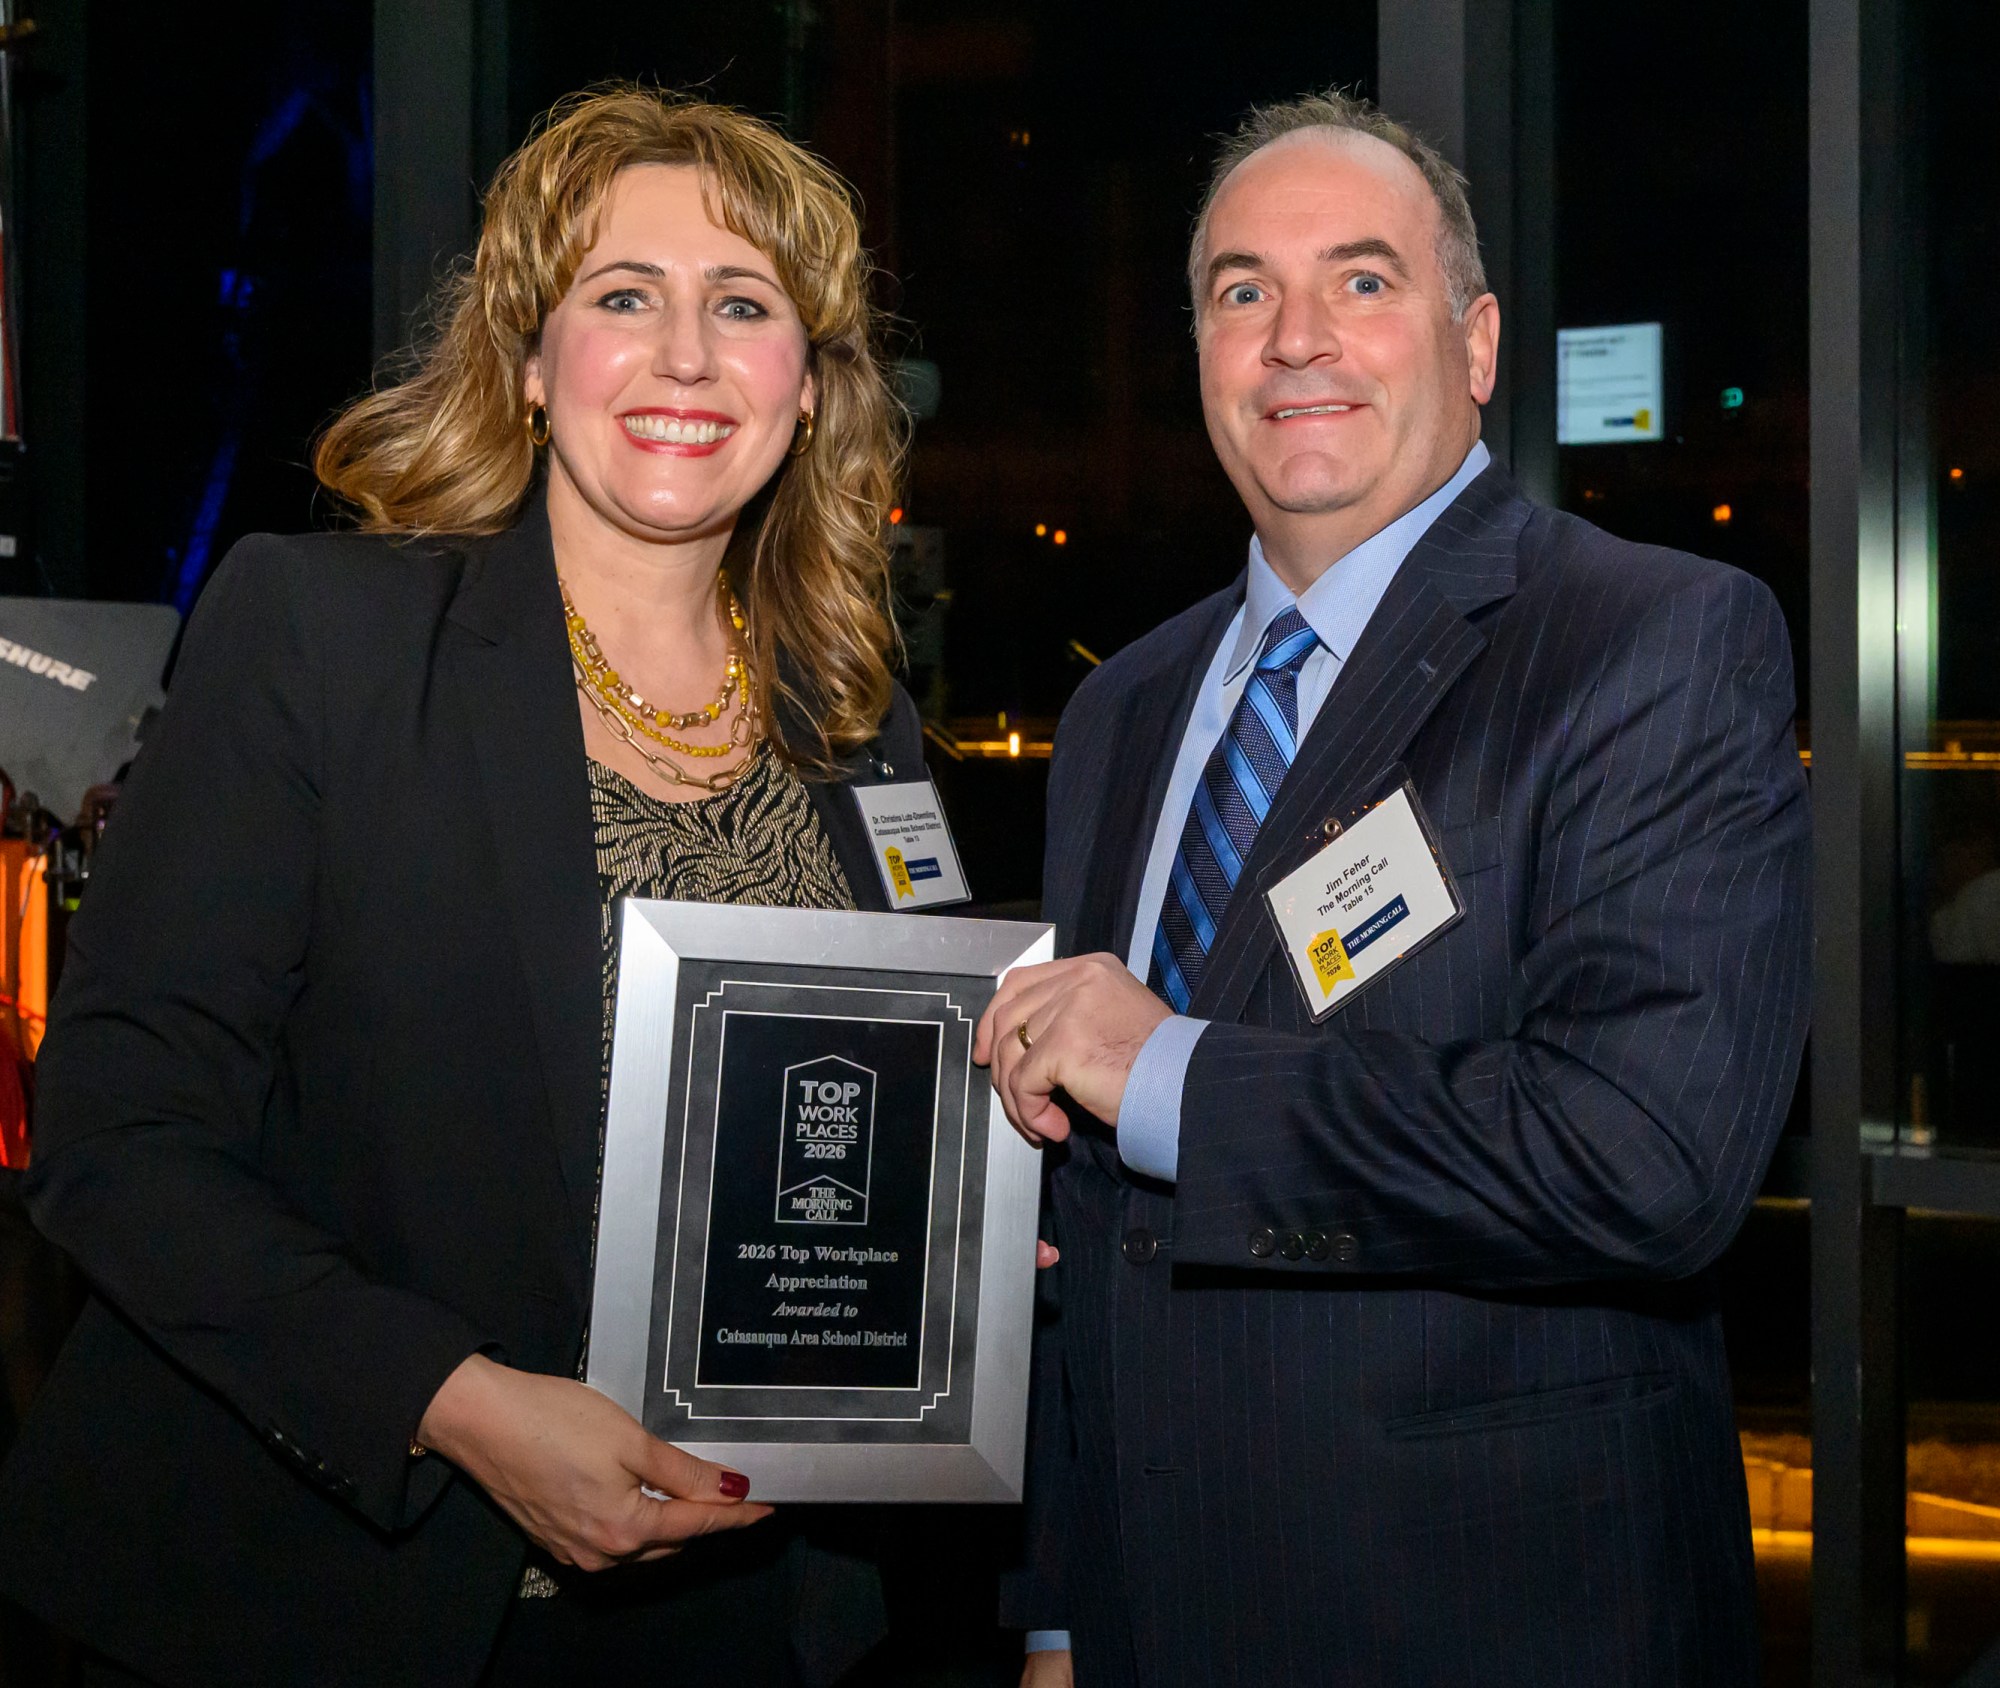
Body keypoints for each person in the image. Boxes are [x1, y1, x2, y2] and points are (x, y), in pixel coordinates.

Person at [0, 87, 921, 1687]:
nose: (687, 355)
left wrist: (955, 1216)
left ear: (811, 382)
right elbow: (119, 1133)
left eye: (743, 306)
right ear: (530, 361)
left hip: (747, 1607)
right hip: (359, 1600)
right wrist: (457, 1403)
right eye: (624, 297)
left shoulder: (857, 724)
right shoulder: (327, 636)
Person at [976, 91, 1810, 1688]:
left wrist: (1169, 1072)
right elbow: (1089, 1226)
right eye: (1243, 292)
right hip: (1148, 1614)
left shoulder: (1654, 641)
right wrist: (1062, 1608)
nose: (1297, 337)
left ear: (1475, 345)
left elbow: (1644, 1157)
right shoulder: (1120, 711)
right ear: (1201, 356)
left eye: (1362, 280)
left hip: (1495, 1617)